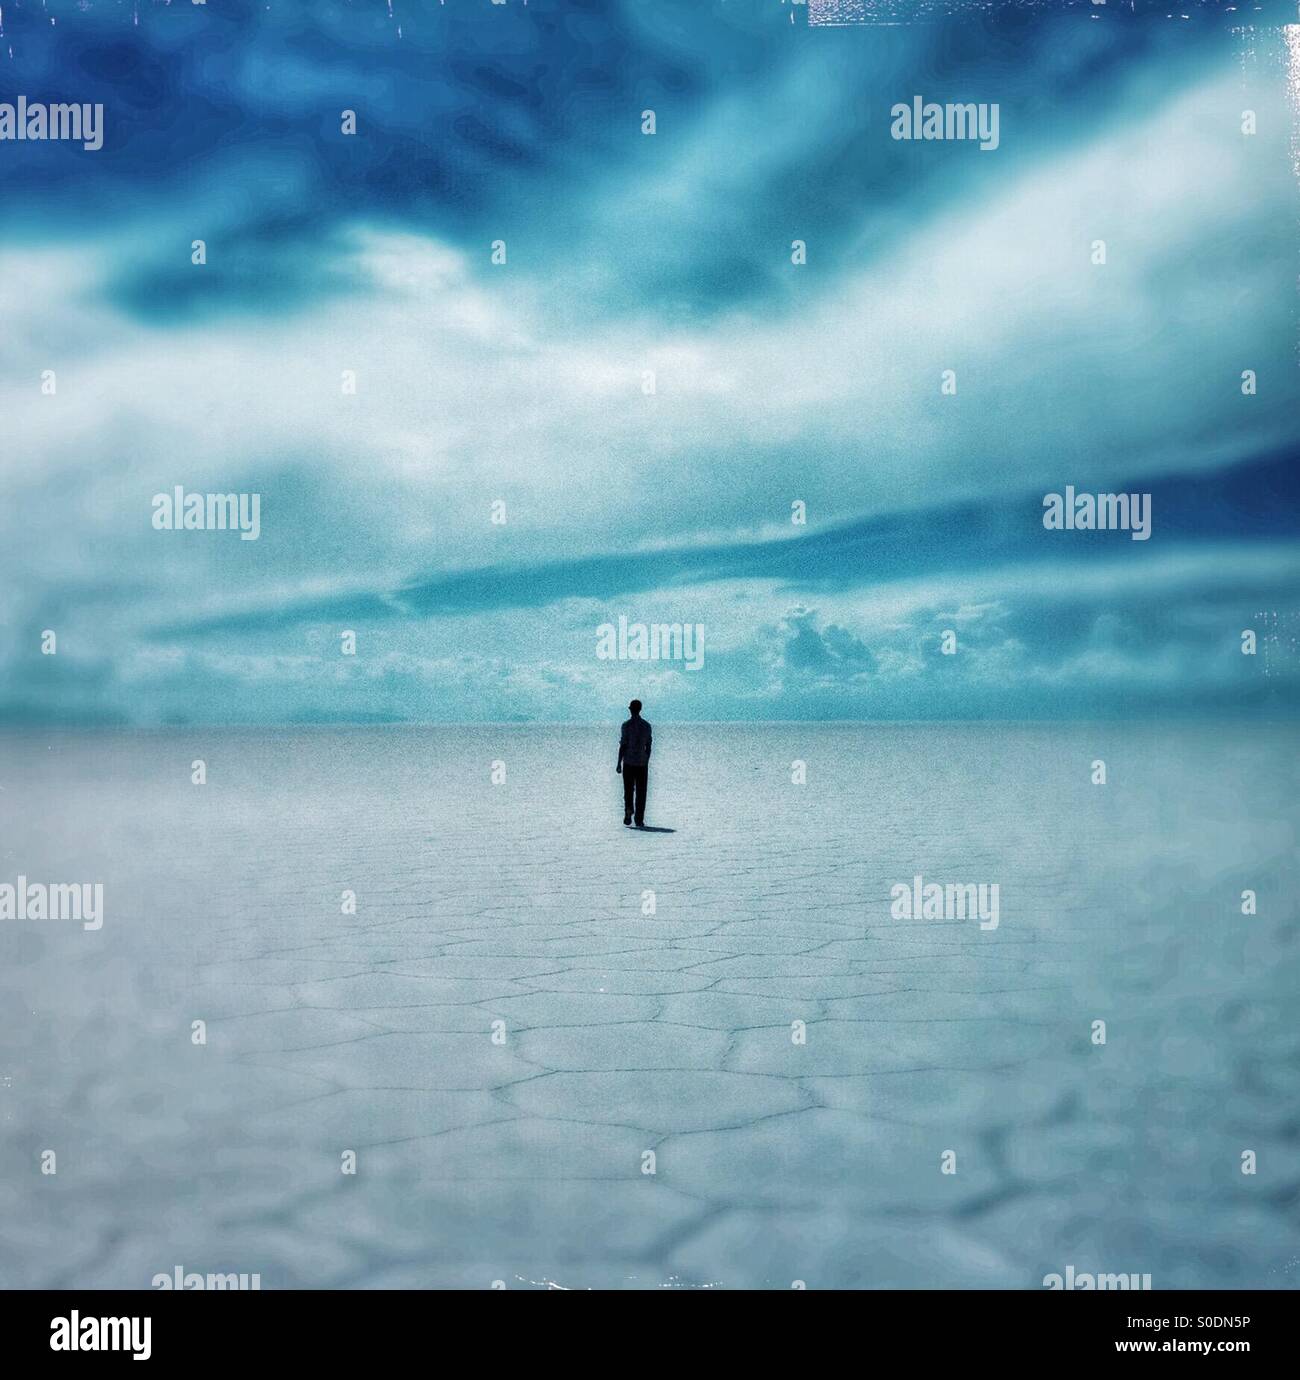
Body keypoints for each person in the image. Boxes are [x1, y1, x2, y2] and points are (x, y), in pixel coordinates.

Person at [616, 699, 652, 827]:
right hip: (642, 762)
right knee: (641, 792)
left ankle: (629, 808)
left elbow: (623, 745)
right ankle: (639, 819)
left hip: (629, 762)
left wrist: (618, 763)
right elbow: (649, 746)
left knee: (628, 789)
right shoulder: (647, 726)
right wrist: (646, 760)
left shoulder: (626, 725)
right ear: (640, 709)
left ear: (631, 709)